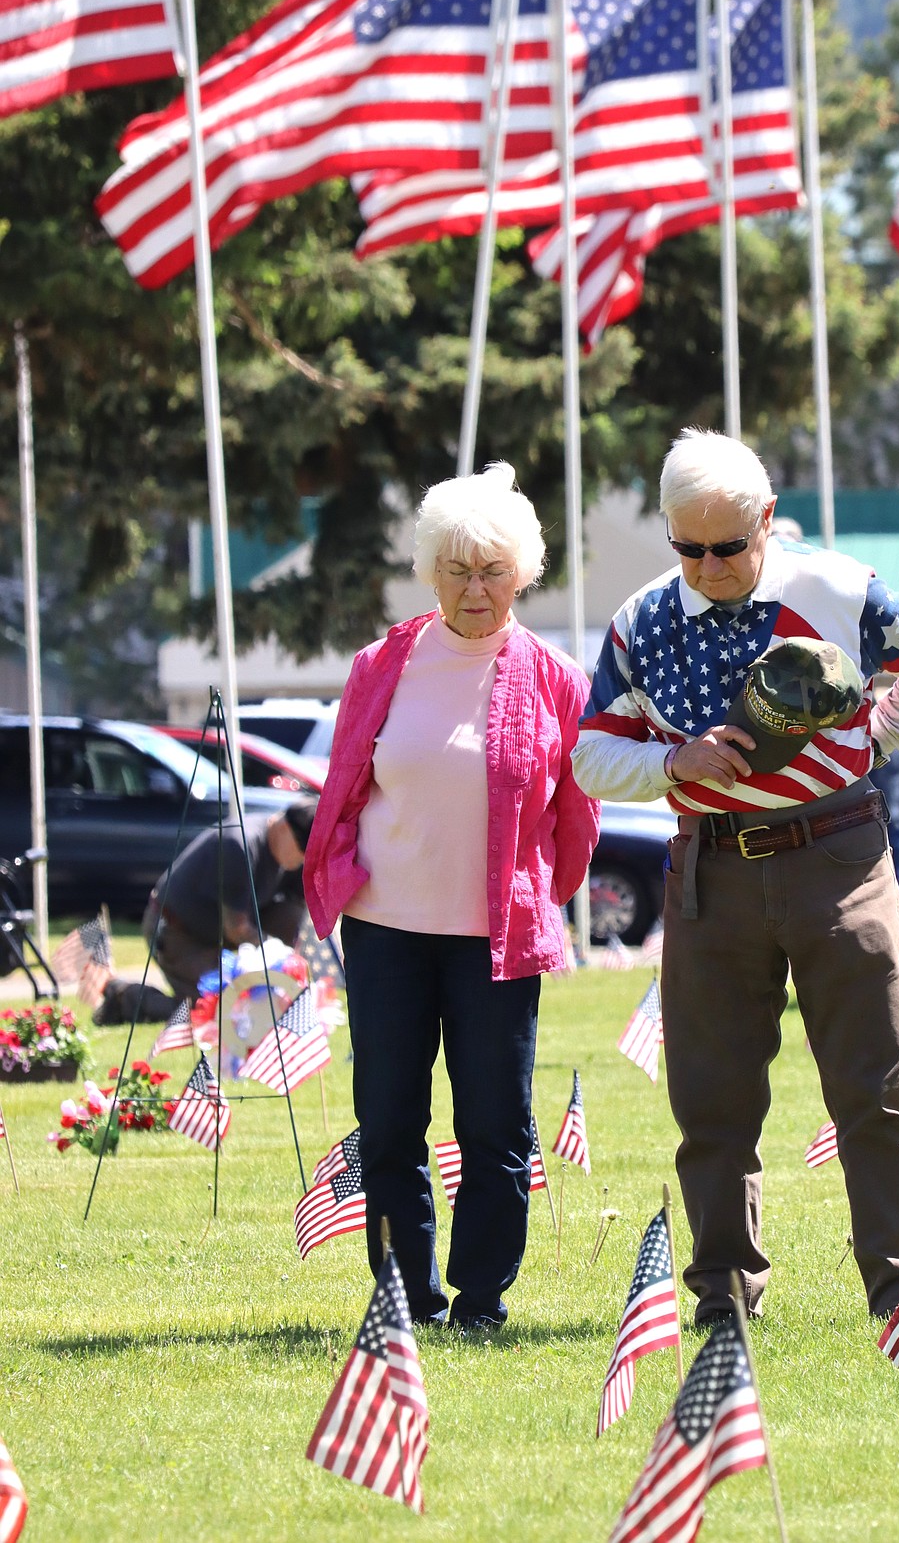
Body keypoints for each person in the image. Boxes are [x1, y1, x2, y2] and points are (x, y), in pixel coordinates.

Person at [572, 430, 899, 1324]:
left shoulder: (837, 587)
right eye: (688, 547)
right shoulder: (640, 621)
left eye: (728, 545)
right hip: (711, 866)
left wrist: (878, 734)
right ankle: (720, 1293)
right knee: (710, 1099)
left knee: (875, 1083)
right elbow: (592, 754)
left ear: (767, 522)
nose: (708, 565)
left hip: (838, 853)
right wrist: (678, 763)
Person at [304, 463, 600, 1331]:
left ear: (523, 574)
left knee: (496, 1126)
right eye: (460, 569)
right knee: (389, 1121)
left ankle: (479, 1300)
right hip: (385, 930)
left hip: (495, 939)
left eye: (494, 570)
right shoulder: (381, 664)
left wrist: (540, 898)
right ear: (430, 570)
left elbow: (575, 818)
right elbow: (347, 783)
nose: (477, 588)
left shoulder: (556, 678)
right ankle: (405, 1296)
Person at [94, 799, 317, 1025]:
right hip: (177, 931)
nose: (303, 859)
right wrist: (280, 954)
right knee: (218, 1010)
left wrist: (291, 968)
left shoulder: (290, 857)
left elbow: (295, 911)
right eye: (303, 849)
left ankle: (268, 987)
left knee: (289, 917)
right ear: (284, 827)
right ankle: (124, 996)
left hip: (222, 934)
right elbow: (236, 929)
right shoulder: (239, 844)